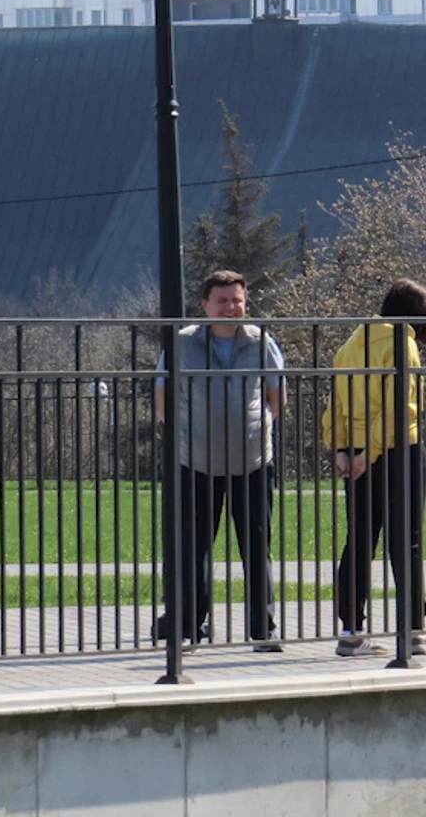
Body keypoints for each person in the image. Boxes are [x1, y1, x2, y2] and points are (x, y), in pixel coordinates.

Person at [154, 270, 285, 652]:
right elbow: (162, 394)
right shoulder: (180, 343)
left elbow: (277, 397)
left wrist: (257, 430)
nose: (231, 308)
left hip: (253, 463)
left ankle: (264, 630)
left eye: (237, 300)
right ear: (205, 305)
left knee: (257, 548)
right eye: (223, 301)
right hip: (194, 462)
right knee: (194, 550)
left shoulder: (262, 341)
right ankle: (191, 629)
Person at [323, 278, 426, 657]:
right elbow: (400, 408)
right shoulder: (402, 344)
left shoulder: (351, 344)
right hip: (397, 450)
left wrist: (342, 449)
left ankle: (351, 630)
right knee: (406, 540)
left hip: (355, 451)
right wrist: (370, 452)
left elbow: (336, 404)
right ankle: (412, 630)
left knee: (358, 540)